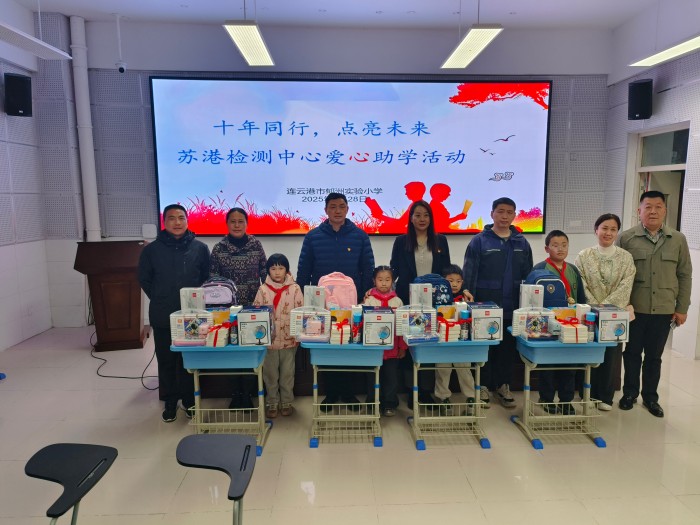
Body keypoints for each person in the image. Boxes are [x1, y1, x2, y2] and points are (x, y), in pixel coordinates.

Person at [297, 192, 375, 409]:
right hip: (322, 304)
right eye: (333, 207)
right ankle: (330, 393)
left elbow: (368, 269)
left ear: (348, 209)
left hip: (351, 304)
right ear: (326, 210)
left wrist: (363, 298)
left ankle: (348, 393)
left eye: (341, 206)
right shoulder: (313, 237)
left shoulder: (360, 236)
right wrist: (305, 298)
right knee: (327, 346)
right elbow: (304, 270)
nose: (337, 211)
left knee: (348, 345)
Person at [618, 191, 692, 418]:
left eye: (658, 207)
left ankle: (650, 397)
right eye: (648, 207)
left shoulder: (677, 239)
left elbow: (684, 275)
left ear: (665, 211)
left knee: (654, 357)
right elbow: (618, 273)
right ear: (639, 211)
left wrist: (682, 308)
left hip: (663, 308)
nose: (653, 211)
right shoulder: (626, 238)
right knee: (632, 353)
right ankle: (629, 393)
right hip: (634, 309)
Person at [138, 204, 210, 422]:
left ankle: (189, 401)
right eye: (172, 218)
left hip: (192, 317)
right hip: (163, 314)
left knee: (189, 360)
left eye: (181, 218)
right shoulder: (151, 250)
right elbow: (144, 279)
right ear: (164, 222)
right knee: (166, 360)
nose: (177, 222)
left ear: (187, 221)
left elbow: (206, 278)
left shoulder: (200, 248)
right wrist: (162, 297)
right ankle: (170, 401)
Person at [462, 197, 533, 408]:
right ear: (492, 213)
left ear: (514, 215)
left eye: (509, 212)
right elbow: (470, 271)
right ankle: (482, 386)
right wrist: (468, 295)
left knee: (507, 349)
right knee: (485, 347)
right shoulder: (479, 241)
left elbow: (528, 275)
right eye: (500, 211)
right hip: (485, 305)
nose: (504, 216)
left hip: (513, 307)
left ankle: (503, 386)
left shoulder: (522, 242)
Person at [390, 200, 451, 406]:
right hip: (408, 300)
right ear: (411, 218)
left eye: (426, 215)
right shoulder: (401, 241)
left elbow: (446, 271)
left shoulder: (441, 240)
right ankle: (411, 391)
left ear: (431, 218)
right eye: (417, 215)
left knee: (430, 345)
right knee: (411, 345)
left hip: (434, 302)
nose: (422, 219)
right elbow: (394, 269)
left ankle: (425, 390)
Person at [575, 214, 636, 411]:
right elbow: (581, 284)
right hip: (590, 314)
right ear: (596, 230)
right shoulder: (584, 256)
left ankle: (605, 397)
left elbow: (626, 285)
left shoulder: (626, 258)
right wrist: (596, 307)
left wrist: (606, 308)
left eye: (613, 229)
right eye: (604, 228)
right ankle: (587, 393)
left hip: (615, 315)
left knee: (611, 354)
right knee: (589, 351)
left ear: (617, 232)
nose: (608, 233)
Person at [210, 207, 267, 409]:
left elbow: (265, 274)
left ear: (246, 223)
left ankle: (249, 393)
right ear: (227, 224)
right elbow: (213, 279)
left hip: (252, 307)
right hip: (227, 310)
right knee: (232, 351)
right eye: (233, 221)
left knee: (250, 350)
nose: (236, 225)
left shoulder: (256, 245)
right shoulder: (219, 248)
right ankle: (236, 394)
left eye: (240, 221)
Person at [532, 230, 587, 414]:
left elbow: (580, 298)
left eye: (564, 245)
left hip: (570, 325)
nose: (560, 249)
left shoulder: (573, 270)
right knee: (547, 364)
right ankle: (546, 398)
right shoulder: (539, 269)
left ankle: (566, 400)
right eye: (555, 245)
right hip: (547, 324)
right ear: (547, 248)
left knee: (569, 364)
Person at [253, 254, 303, 418]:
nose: (277, 272)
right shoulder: (263, 290)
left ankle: (287, 402)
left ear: (287, 270)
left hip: (289, 341)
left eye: (281, 268)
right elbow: (256, 314)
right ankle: (272, 403)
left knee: (287, 375)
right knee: (270, 375)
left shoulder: (295, 289)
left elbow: (301, 313)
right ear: (268, 270)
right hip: (269, 343)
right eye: (273, 268)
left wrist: (298, 336)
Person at [363, 265, 406, 417]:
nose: (383, 283)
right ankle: (372, 403)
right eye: (380, 279)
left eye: (387, 280)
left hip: (392, 349)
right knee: (372, 377)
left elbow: (402, 326)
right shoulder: (369, 300)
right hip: (373, 349)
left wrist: (402, 347)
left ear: (392, 281)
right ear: (374, 281)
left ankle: (389, 403)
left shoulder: (398, 301)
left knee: (391, 378)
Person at [434, 264, 476, 415]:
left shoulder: (466, 298)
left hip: (461, 343)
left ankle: (471, 397)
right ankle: (443, 397)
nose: (454, 284)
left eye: (458, 281)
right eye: (450, 281)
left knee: (465, 370)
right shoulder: (438, 297)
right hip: (443, 341)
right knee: (443, 370)